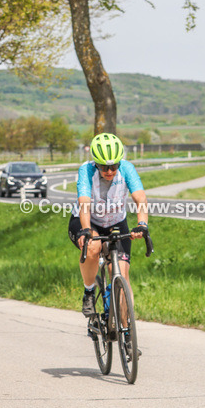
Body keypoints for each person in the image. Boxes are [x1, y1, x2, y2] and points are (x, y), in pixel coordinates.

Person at [69, 133, 149, 316]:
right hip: (88, 221)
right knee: (93, 246)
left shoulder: (127, 168)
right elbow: (84, 203)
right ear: (96, 163)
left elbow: (140, 198)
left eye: (114, 166)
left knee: (122, 274)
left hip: (115, 222)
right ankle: (89, 292)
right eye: (104, 166)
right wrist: (86, 230)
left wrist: (142, 224)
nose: (110, 171)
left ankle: (126, 328)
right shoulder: (86, 170)